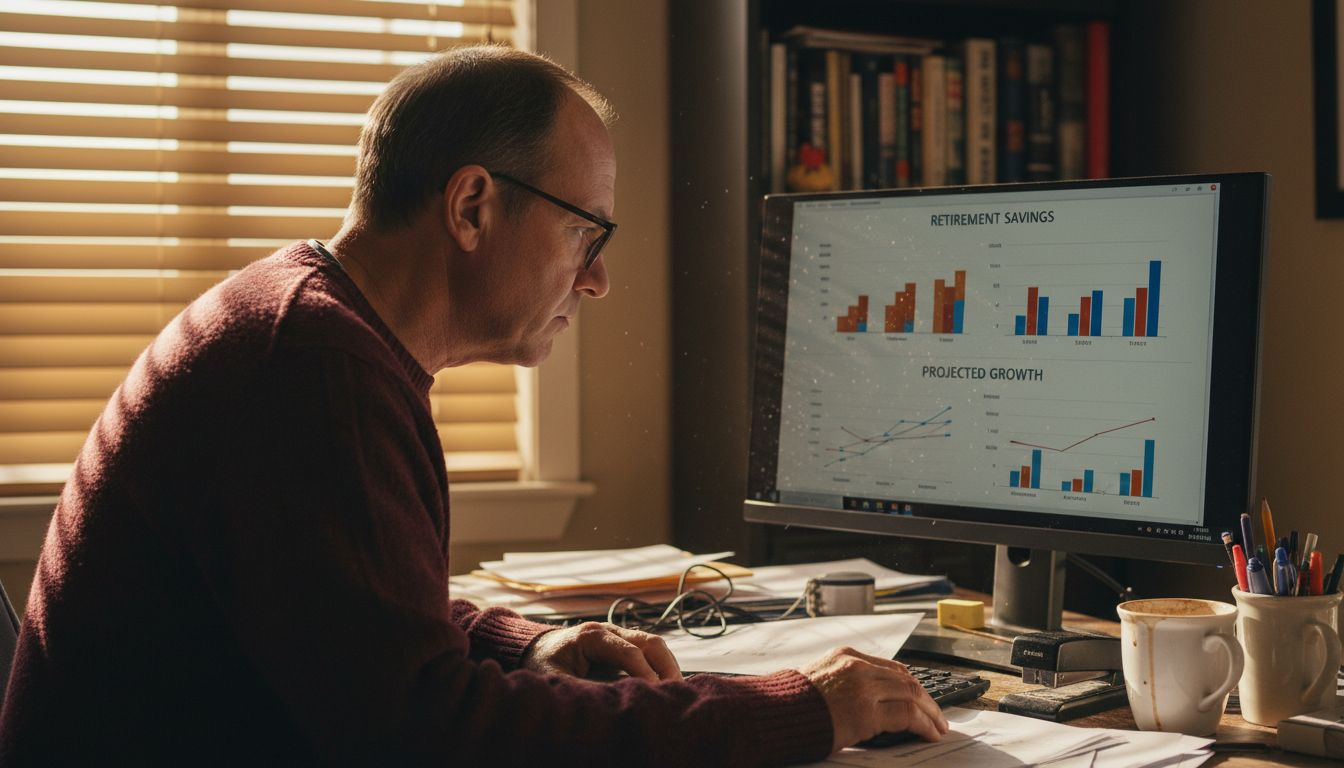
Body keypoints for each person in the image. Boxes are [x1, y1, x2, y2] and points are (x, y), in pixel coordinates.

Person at [0, 45, 947, 765]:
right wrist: (797, 707)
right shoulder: (315, 369)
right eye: (585, 232)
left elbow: (347, 619)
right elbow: (432, 734)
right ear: (471, 208)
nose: (598, 278)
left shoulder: (308, 324)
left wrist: (526, 643)